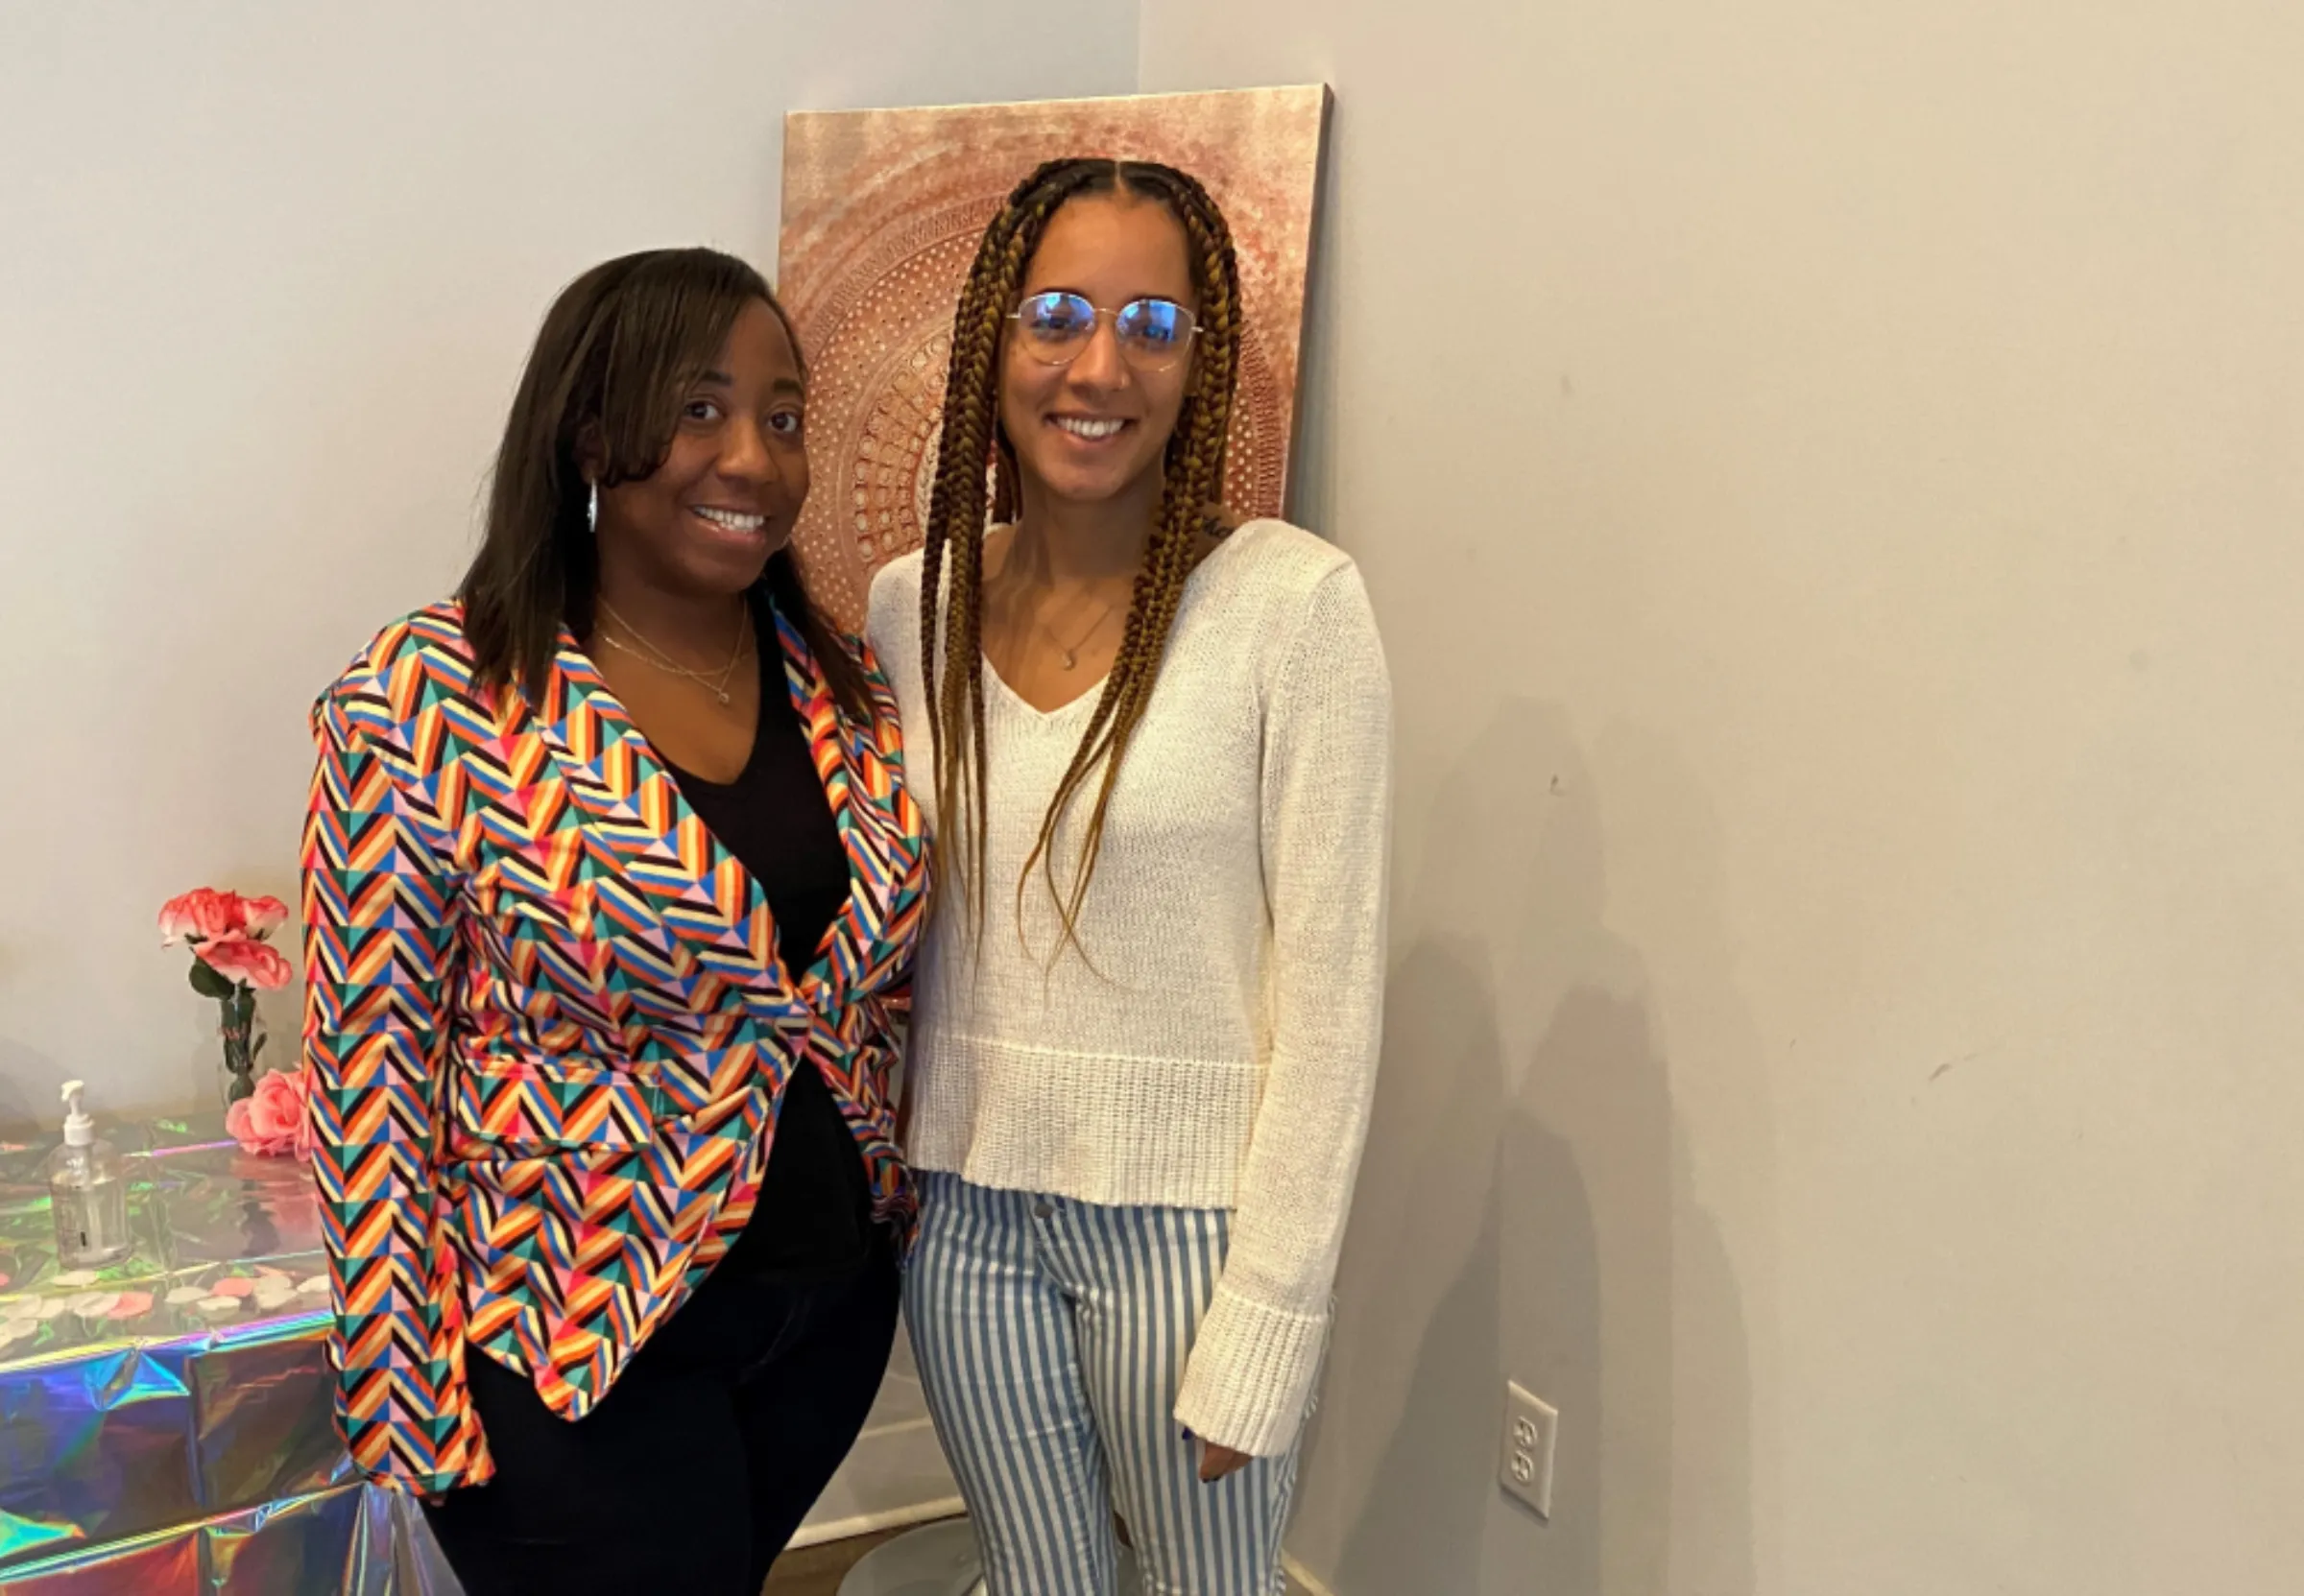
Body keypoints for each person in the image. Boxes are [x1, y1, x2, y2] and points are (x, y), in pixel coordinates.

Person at [300, 248, 926, 1596]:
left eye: (783, 414)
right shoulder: (431, 694)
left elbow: (865, 992)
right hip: (573, 1339)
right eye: (700, 408)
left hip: (821, 1314)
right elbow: (373, 1065)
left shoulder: (845, 680)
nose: (753, 457)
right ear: (591, 431)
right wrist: (400, 1382)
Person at [867, 158, 1392, 1594]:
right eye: (1056, 314)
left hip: (1194, 1239)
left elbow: (1332, 1002)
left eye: (1152, 325)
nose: (1099, 365)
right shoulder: (914, 601)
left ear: (1199, 361)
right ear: (995, 341)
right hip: (966, 1219)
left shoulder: (1292, 606)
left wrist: (1272, 1312)